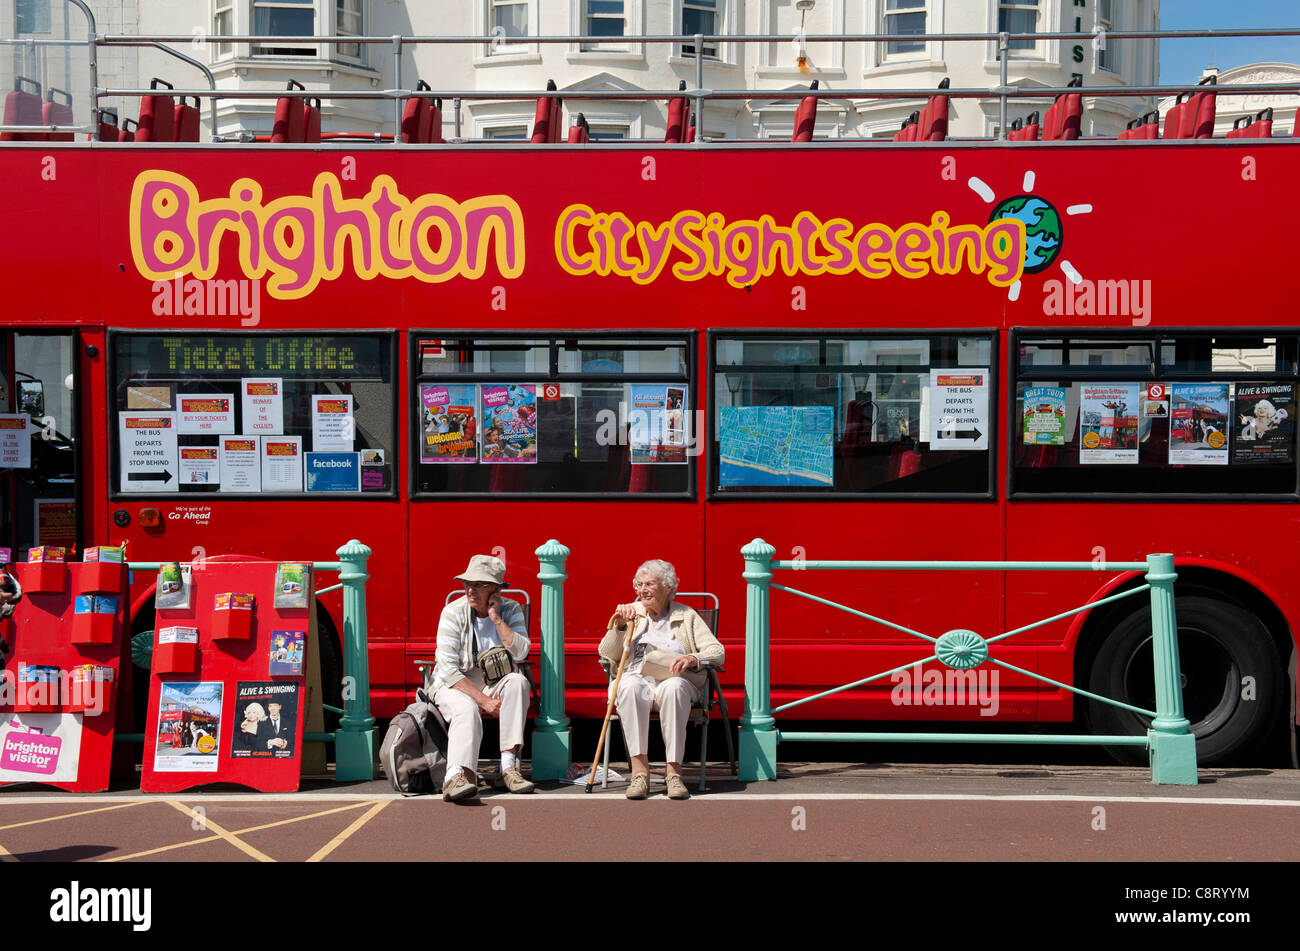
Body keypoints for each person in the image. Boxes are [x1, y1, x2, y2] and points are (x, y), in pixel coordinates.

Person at [599, 559, 723, 801]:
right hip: (639, 682)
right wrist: (620, 628)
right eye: (639, 584)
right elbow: (607, 654)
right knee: (629, 685)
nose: (642, 590)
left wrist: (692, 658)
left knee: (674, 688)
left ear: (667, 587)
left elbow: (717, 651)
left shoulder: (686, 615)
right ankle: (639, 773)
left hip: (674, 682)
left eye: (650, 584)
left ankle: (674, 773)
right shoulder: (630, 613)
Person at [428, 554, 534, 802]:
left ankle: (508, 769)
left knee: (518, 682)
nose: (470, 589)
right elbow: (448, 670)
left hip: (492, 680)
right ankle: (455, 776)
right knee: (467, 707)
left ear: (496, 590)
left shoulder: (510, 609)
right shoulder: (452, 613)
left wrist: (497, 619)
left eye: (479, 584)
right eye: (467, 583)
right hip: (452, 683)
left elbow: (521, 652)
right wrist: (483, 701)